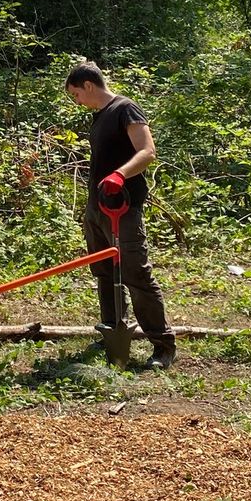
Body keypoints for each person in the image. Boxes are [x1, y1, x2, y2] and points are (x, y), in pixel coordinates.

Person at [64, 60, 175, 368]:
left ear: (88, 85)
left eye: (76, 94)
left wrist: (120, 175)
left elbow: (147, 151)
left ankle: (162, 344)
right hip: (97, 209)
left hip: (122, 207)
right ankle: (113, 330)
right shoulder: (99, 117)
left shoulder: (125, 108)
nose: (77, 101)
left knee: (135, 274)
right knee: (103, 272)